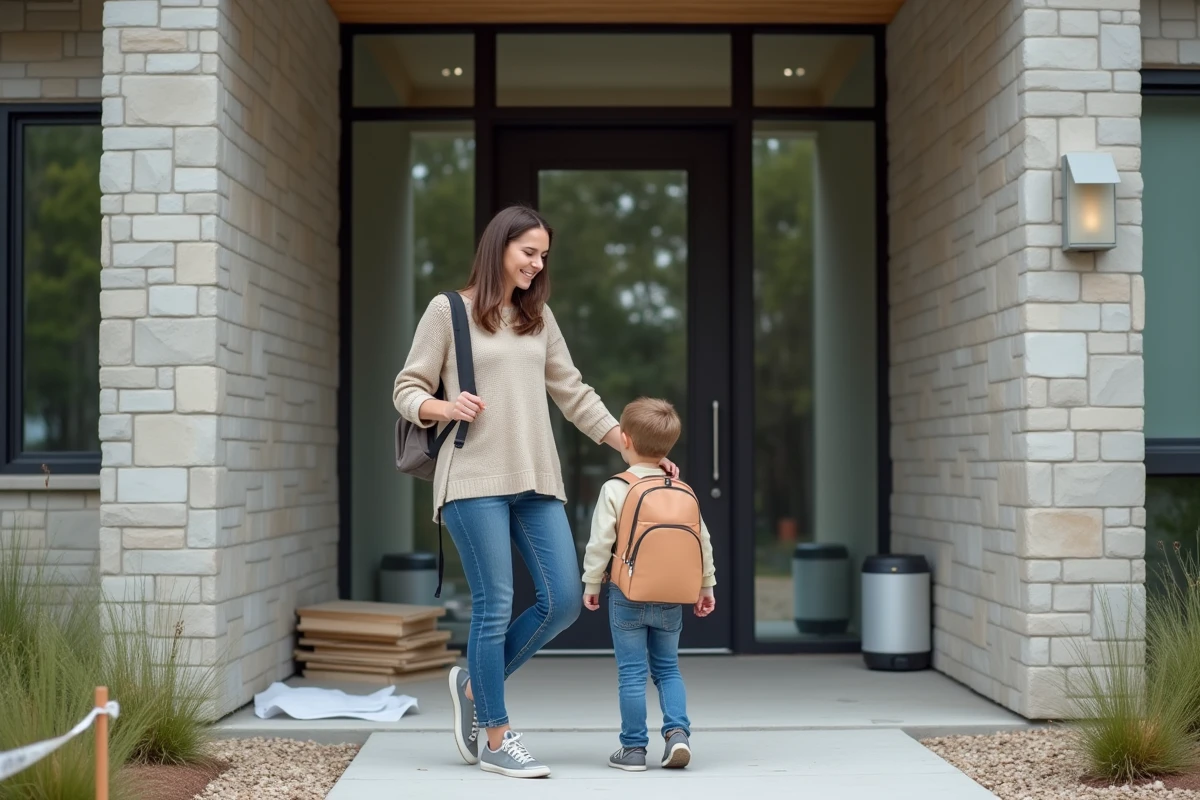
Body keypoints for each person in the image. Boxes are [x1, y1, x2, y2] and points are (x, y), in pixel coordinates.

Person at [393, 206, 678, 779]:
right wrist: (444, 405)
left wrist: (633, 446)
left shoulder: (536, 317)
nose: (537, 263)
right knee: (495, 605)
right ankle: (495, 734)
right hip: (471, 476)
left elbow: (572, 391)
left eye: (544, 255)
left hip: (536, 479)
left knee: (563, 602)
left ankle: (476, 680)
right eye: (530, 252)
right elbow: (407, 387)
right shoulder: (449, 311)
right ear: (500, 247)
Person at [580, 398, 717, 772]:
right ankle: (677, 736)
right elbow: (701, 541)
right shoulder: (681, 489)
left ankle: (634, 749)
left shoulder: (616, 489)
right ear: (669, 446)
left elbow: (599, 543)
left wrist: (592, 582)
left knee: (632, 673)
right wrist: (706, 586)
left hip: (627, 594)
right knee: (668, 669)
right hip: (672, 597)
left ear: (624, 439)